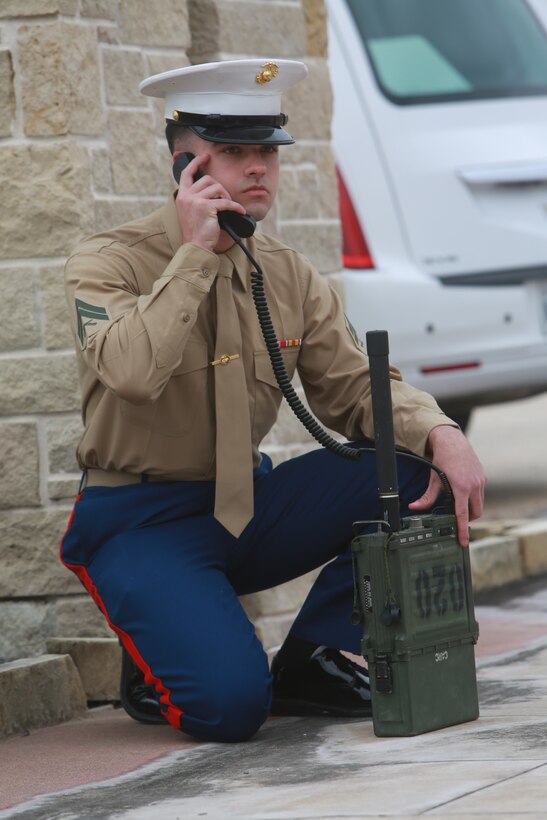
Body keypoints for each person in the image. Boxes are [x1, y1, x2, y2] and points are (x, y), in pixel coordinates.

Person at [61, 58, 486, 743]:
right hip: (140, 520)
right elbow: (132, 371)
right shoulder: (108, 261)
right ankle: (156, 656)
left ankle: (312, 660)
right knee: (230, 710)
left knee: (417, 474)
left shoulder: (286, 272)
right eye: (234, 152)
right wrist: (196, 256)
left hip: (243, 507)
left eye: (268, 151)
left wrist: (441, 433)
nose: (259, 167)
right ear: (184, 165)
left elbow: (354, 386)